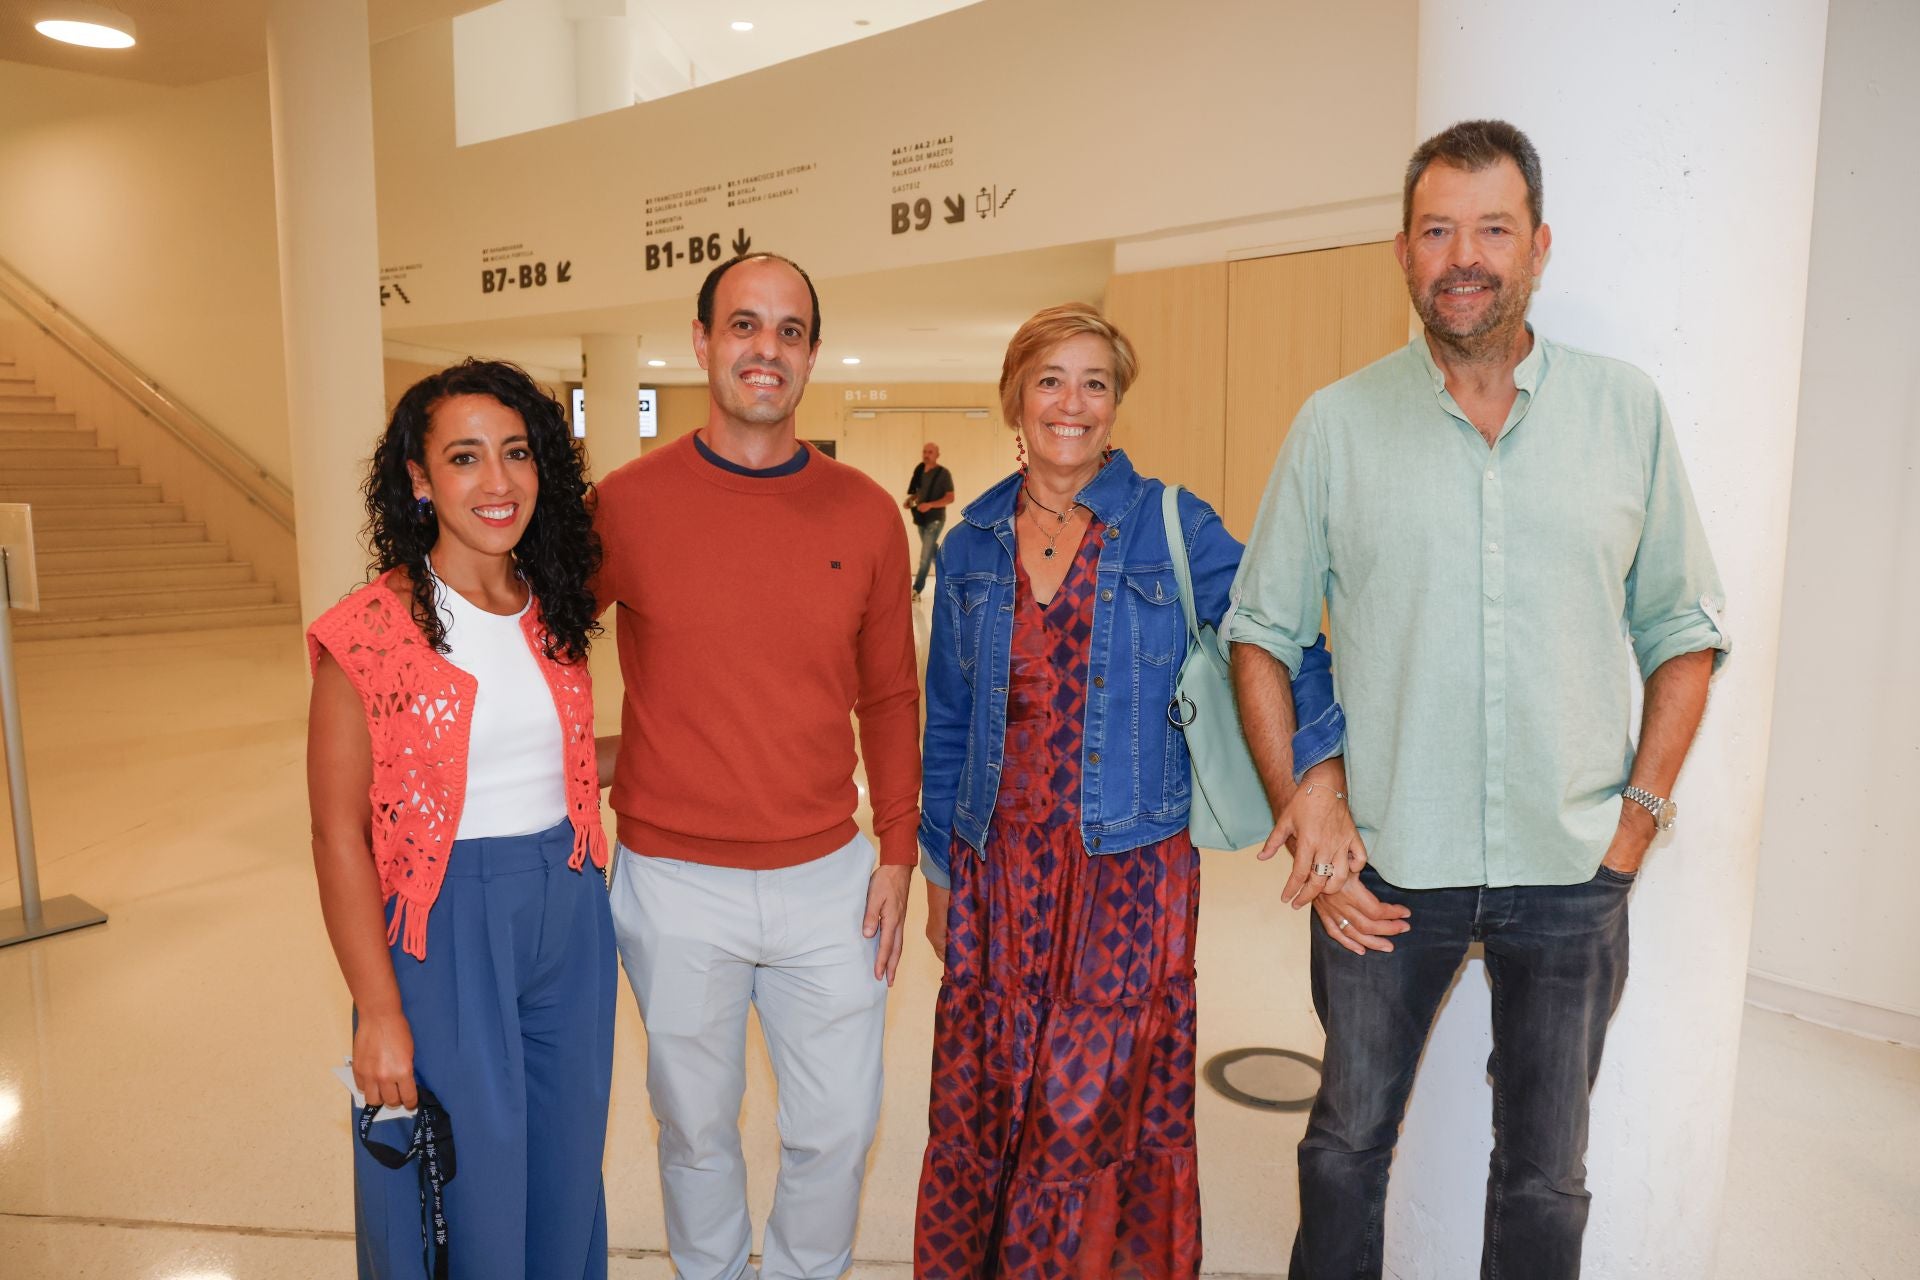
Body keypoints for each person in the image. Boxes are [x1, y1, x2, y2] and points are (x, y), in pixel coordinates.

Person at [1227, 120, 1731, 1278]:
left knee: (1547, 1175)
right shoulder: (1336, 423)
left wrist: (1638, 816)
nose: (1465, 256)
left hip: (1572, 865)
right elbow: (1259, 631)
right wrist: (1307, 794)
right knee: (1344, 1148)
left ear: (1538, 247)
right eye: (1437, 230)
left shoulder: (1626, 411)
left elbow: (1684, 630)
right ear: (1403, 252)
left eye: (1493, 229)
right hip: (1387, 865)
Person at [913, 303, 1347, 1277]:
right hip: (996, 872)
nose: (1072, 403)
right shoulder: (973, 540)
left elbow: (1275, 632)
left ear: (1116, 402)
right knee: (990, 1102)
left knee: (1082, 1116)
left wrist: (1319, 775)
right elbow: (948, 721)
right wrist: (939, 872)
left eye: (1095, 383)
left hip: (1127, 879)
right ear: (1015, 399)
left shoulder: (1170, 523)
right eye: (1051, 381)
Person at [592, 252, 920, 1280]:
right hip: (673, 880)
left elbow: (889, 695)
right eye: (744, 324)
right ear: (702, 342)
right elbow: (538, 637)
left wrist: (899, 848)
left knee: (838, 1126)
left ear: (811, 354)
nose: (765, 348)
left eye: (789, 330)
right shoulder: (626, 503)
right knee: (694, 1126)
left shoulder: (865, 511)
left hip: (829, 876)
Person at [306, 360, 617, 1280]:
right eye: (466, 457)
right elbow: (337, 834)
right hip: (444, 922)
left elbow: (557, 759)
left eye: (516, 453)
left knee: (566, 1166)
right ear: (420, 478)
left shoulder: (551, 605)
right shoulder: (371, 631)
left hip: (572, 913)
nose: (497, 482)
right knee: (466, 1180)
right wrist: (377, 1012)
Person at [904, 440, 956, 601]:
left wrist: (930, 505)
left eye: (930, 452)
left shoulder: (943, 474)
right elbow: (919, 493)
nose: (926, 455)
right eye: (925, 452)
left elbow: (950, 497)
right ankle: (953, 581)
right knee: (933, 554)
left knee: (925, 557)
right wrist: (911, 500)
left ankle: (916, 590)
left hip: (935, 519)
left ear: (937, 455)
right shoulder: (920, 471)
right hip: (921, 519)